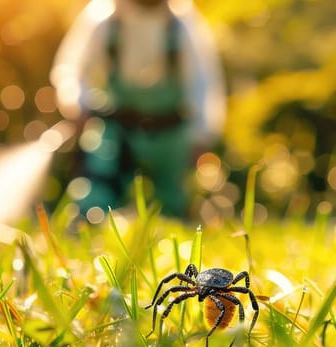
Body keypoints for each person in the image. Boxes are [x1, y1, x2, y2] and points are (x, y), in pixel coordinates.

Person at [50, 0, 226, 217]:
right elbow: (72, 69)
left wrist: (202, 134)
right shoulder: (103, 17)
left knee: (171, 206)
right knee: (96, 198)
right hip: (118, 130)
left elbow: (204, 82)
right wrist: (77, 105)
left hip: (170, 134)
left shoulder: (182, 23)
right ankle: (87, 226)